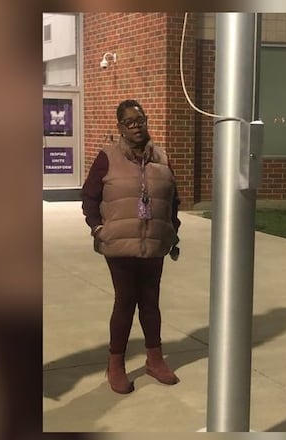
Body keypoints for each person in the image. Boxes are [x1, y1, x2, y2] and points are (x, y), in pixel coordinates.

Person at [81, 99, 182, 394]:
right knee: (125, 301)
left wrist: (172, 230)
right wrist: (98, 228)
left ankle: (155, 360)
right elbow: (89, 196)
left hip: (154, 242)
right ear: (120, 127)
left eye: (140, 120)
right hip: (119, 243)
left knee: (151, 301)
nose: (137, 127)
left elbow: (173, 198)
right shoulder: (108, 157)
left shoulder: (161, 157)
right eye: (129, 122)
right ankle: (116, 365)